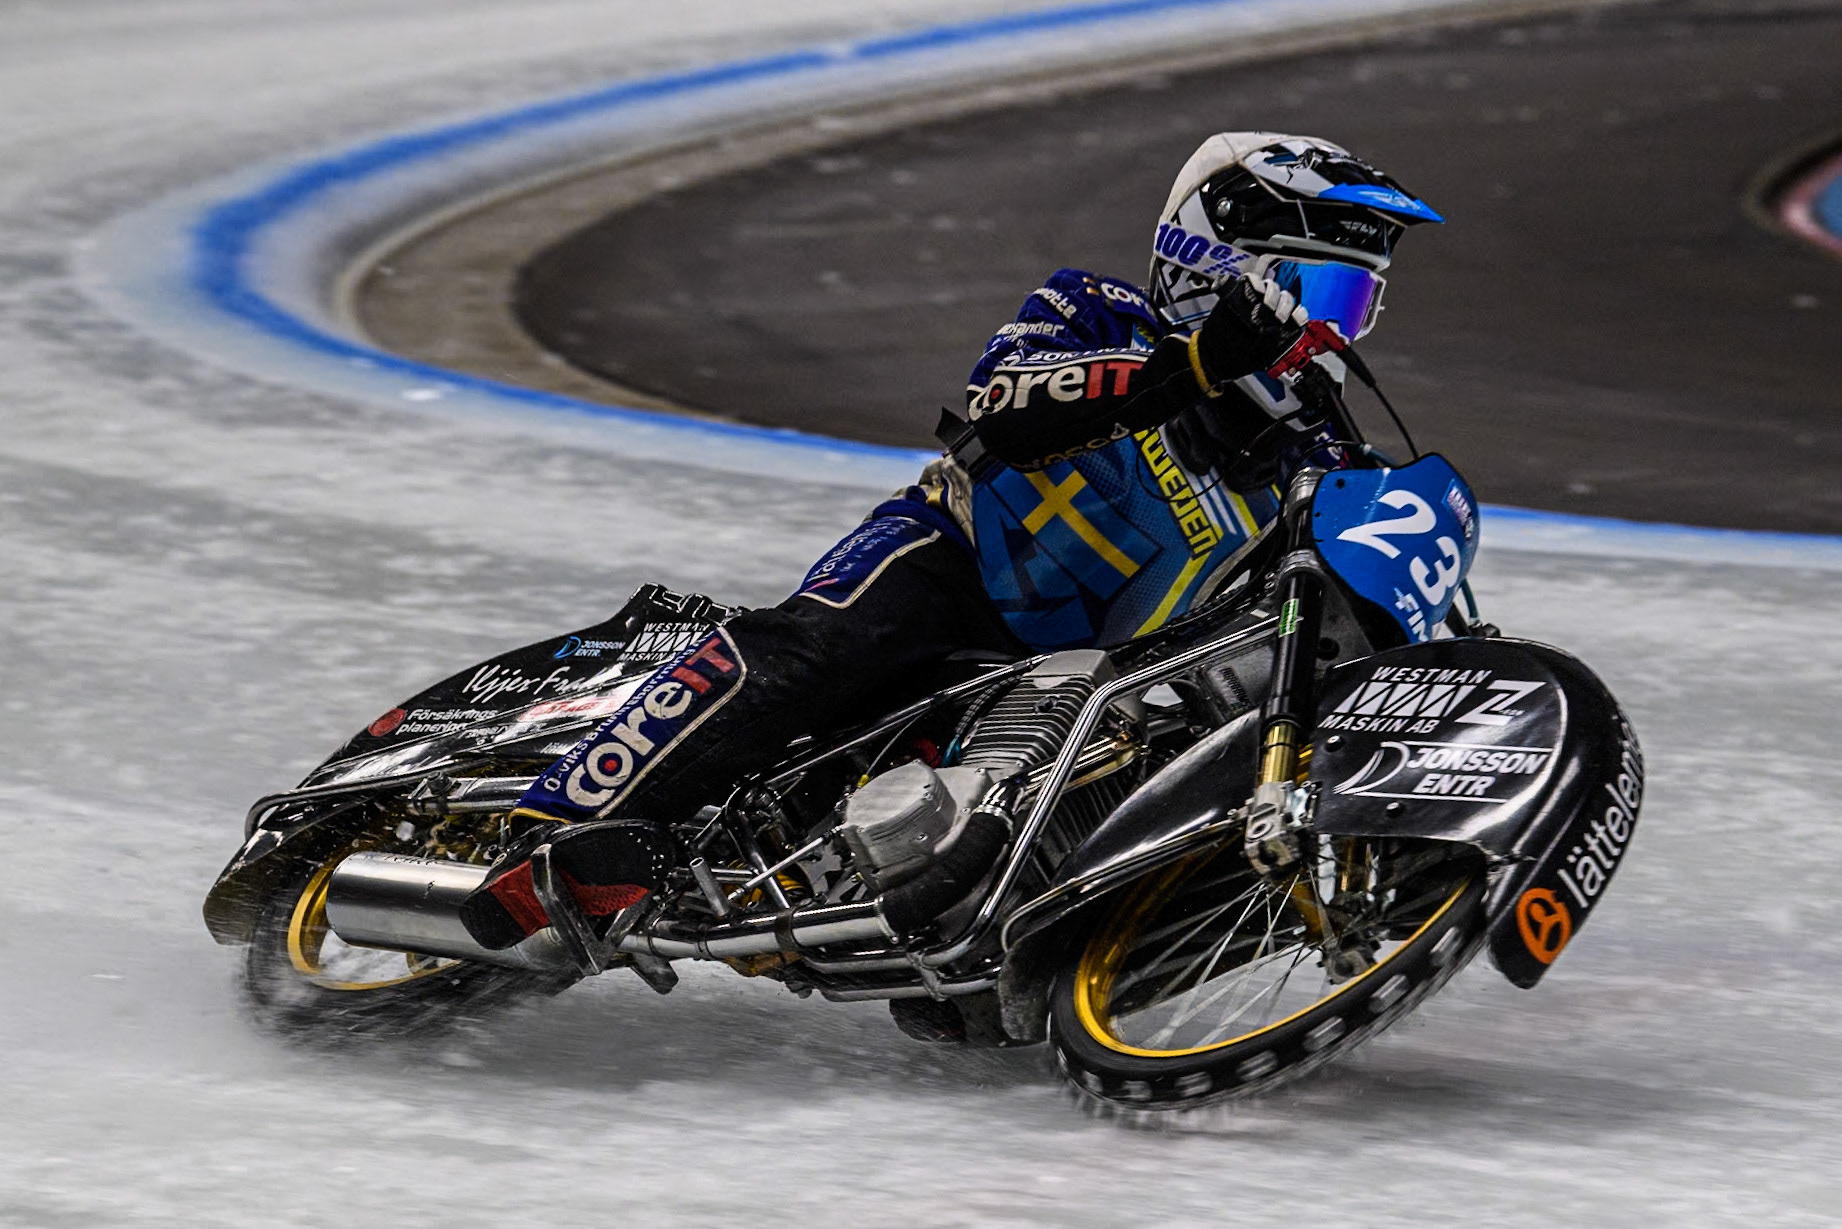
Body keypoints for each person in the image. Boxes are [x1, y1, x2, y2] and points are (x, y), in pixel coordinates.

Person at [457, 131, 1443, 951]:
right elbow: (1007, 403)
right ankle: (555, 824)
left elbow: (1348, 584)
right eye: (1317, 296)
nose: (1332, 334)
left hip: (1070, 676)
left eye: (1356, 307)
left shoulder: (1308, 452)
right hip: (954, 560)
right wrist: (1190, 366)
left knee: (1153, 754)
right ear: (1220, 265)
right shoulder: (1099, 313)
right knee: (815, 647)